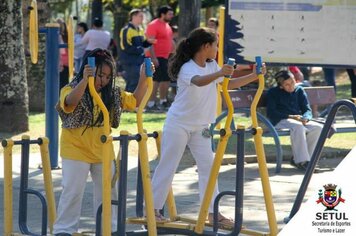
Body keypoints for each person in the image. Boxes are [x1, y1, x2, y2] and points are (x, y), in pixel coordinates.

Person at [150, 27, 265, 227]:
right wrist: (220, 72)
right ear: (205, 46)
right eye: (215, 45)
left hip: (202, 126)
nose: (217, 49)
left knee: (209, 168)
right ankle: (152, 211)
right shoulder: (188, 67)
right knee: (168, 166)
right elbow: (200, 82)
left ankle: (213, 213)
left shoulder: (212, 65)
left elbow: (227, 84)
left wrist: (254, 75)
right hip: (179, 124)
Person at [53, 48, 150, 235]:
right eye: (100, 76)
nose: (103, 81)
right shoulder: (72, 87)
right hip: (76, 149)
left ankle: (109, 228)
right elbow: (70, 102)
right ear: (88, 71)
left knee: (108, 191)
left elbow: (136, 101)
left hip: (102, 150)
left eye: (107, 77)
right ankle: (63, 229)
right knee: (72, 191)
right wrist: (85, 81)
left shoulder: (111, 93)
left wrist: (144, 78)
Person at [266, 70, 323, 171]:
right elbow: (271, 113)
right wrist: (291, 117)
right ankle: (302, 161)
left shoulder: (299, 90)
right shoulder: (272, 93)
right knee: (298, 126)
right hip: (279, 120)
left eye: (292, 82)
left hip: (297, 120)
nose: (291, 86)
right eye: (287, 85)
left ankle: (306, 161)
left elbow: (307, 109)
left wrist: (306, 117)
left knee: (318, 128)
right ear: (280, 86)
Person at [145, 5, 174, 111]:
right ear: (163, 14)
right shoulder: (153, 25)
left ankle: (163, 101)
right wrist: (153, 58)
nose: (172, 16)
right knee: (155, 80)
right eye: (170, 14)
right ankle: (151, 104)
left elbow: (170, 42)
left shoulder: (167, 26)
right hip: (155, 57)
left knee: (166, 80)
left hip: (165, 57)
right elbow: (150, 43)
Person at [120, 9, 155, 92]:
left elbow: (143, 44)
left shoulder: (141, 29)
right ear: (133, 16)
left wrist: (149, 42)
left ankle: (129, 103)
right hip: (129, 61)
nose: (142, 18)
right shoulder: (126, 30)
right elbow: (125, 47)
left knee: (134, 83)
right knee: (133, 83)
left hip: (139, 61)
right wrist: (142, 50)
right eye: (140, 16)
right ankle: (129, 104)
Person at [57, 18, 69, 91]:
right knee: (64, 82)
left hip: (61, 62)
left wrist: (60, 63)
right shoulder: (66, 36)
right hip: (66, 62)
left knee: (60, 83)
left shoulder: (58, 36)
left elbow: (60, 51)